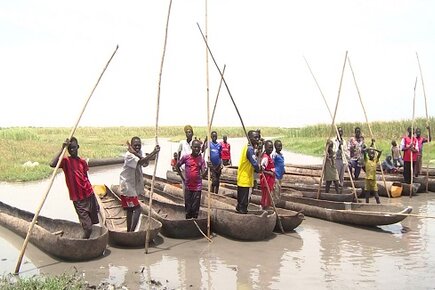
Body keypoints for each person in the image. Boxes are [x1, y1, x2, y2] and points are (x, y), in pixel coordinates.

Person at [50, 137, 100, 239]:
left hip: (89, 195)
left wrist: (94, 197)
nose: (72, 150)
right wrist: (62, 148)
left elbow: (86, 178)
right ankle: (83, 243)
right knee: (88, 227)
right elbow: (52, 164)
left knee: (93, 222)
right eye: (70, 149)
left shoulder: (82, 162)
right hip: (78, 199)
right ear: (67, 150)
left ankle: (86, 239)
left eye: (74, 148)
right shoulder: (66, 161)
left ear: (78, 147)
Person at [119, 137, 160, 232]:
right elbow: (141, 161)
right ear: (131, 146)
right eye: (135, 146)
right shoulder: (129, 155)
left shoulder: (138, 152)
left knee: (130, 210)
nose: (137, 147)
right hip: (127, 186)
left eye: (139, 145)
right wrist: (153, 153)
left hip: (133, 185)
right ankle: (131, 232)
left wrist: (136, 153)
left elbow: (145, 164)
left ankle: (129, 231)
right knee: (137, 209)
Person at [176, 139, 207, 219]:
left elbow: (203, 175)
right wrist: (183, 178)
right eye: (195, 147)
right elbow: (177, 166)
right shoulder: (186, 158)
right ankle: (188, 223)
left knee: (195, 209)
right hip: (188, 187)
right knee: (188, 209)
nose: (197, 149)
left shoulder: (201, 160)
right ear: (191, 147)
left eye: (198, 148)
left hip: (197, 188)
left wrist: (208, 170)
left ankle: (194, 223)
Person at [236, 130, 262, 214]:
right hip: (245, 179)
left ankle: (241, 211)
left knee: (242, 203)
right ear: (249, 138)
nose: (257, 139)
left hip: (244, 178)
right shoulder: (249, 149)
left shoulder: (249, 147)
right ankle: (242, 217)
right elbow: (254, 163)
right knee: (243, 204)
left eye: (258, 137)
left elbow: (255, 157)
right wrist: (259, 169)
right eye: (255, 137)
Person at [260, 140, 275, 210]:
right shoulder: (265, 157)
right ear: (265, 148)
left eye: (272, 148)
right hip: (266, 181)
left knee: (268, 198)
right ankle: (264, 210)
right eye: (269, 147)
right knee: (265, 198)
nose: (271, 149)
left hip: (270, 181)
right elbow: (261, 169)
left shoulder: (269, 156)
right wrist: (270, 173)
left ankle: (266, 209)